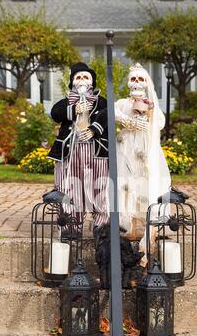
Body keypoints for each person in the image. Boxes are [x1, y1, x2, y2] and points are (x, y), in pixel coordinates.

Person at [115, 63, 171, 261]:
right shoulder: (122, 103)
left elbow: (161, 123)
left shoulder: (151, 104)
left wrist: (150, 112)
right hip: (126, 148)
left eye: (141, 79)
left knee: (145, 182)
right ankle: (129, 224)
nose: (137, 82)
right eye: (133, 79)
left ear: (147, 82)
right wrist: (128, 121)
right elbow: (113, 113)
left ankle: (147, 225)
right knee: (126, 183)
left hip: (145, 149)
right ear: (128, 83)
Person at [47, 62, 109, 230]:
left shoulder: (102, 102)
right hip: (70, 152)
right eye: (78, 77)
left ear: (92, 82)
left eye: (85, 77)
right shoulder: (66, 102)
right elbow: (55, 113)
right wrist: (74, 109)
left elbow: (109, 115)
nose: (82, 79)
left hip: (96, 152)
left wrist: (94, 129)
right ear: (73, 81)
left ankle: (102, 230)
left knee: (99, 189)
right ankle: (70, 229)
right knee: (69, 189)